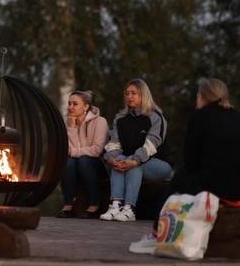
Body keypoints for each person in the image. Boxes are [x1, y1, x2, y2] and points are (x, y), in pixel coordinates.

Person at [130, 78, 240, 254]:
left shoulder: (199, 117)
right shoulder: (236, 116)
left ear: (202, 96)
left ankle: (156, 233)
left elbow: (190, 160)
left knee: (179, 178)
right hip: (236, 189)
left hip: (212, 187)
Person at [100, 78, 173, 222]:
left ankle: (129, 209)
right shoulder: (120, 118)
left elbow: (151, 145)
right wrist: (111, 158)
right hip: (130, 160)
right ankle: (115, 206)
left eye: (134, 93)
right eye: (127, 93)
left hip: (159, 164)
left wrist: (135, 160)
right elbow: (114, 144)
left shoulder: (156, 117)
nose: (129, 97)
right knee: (120, 161)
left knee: (133, 164)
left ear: (143, 95)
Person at [58, 90, 108, 218]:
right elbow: (67, 149)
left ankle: (94, 204)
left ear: (86, 107)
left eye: (75, 104)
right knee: (68, 162)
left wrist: (74, 152)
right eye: (69, 104)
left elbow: (97, 150)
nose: (70, 107)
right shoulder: (69, 123)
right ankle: (68, 204)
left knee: (83, 160)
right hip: (77, 164)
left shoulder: (100, 121)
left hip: (98, 165)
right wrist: (71, 128)